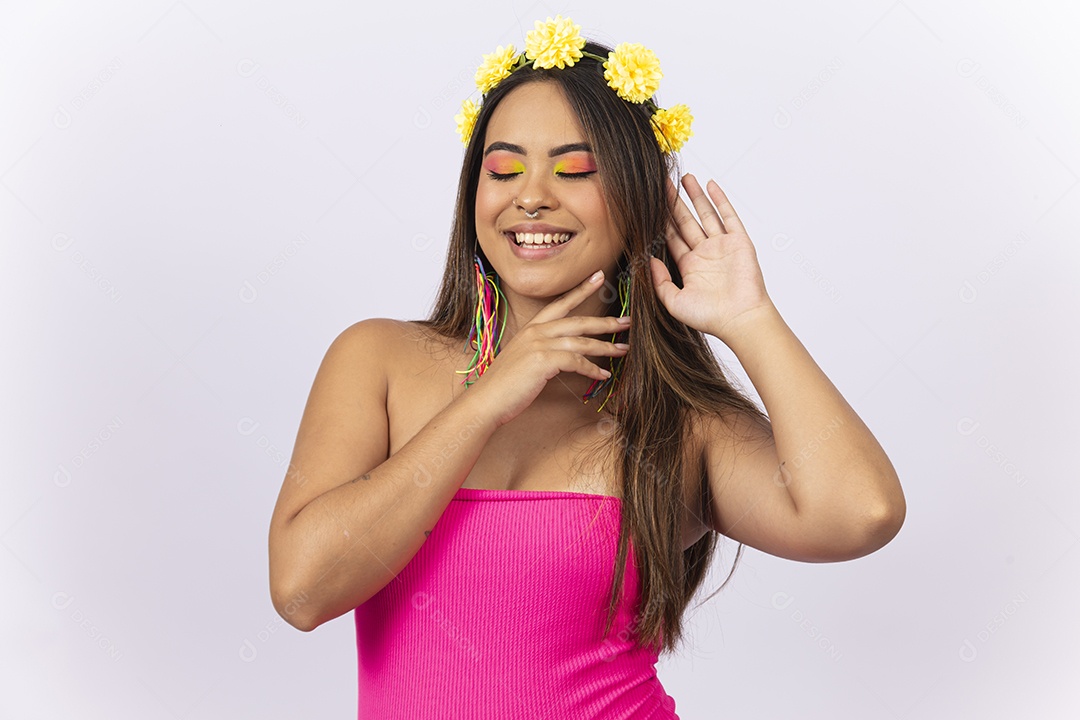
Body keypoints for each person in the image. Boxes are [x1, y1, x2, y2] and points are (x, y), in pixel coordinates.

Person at [268, 16, 906, 718]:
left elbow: (862, 513)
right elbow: (302, 592)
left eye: (574, 170)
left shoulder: (678, 421)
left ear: (637, 200)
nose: (531, 195)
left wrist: (750, 319)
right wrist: (488, 397)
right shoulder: (377, 360)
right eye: (504, 169)